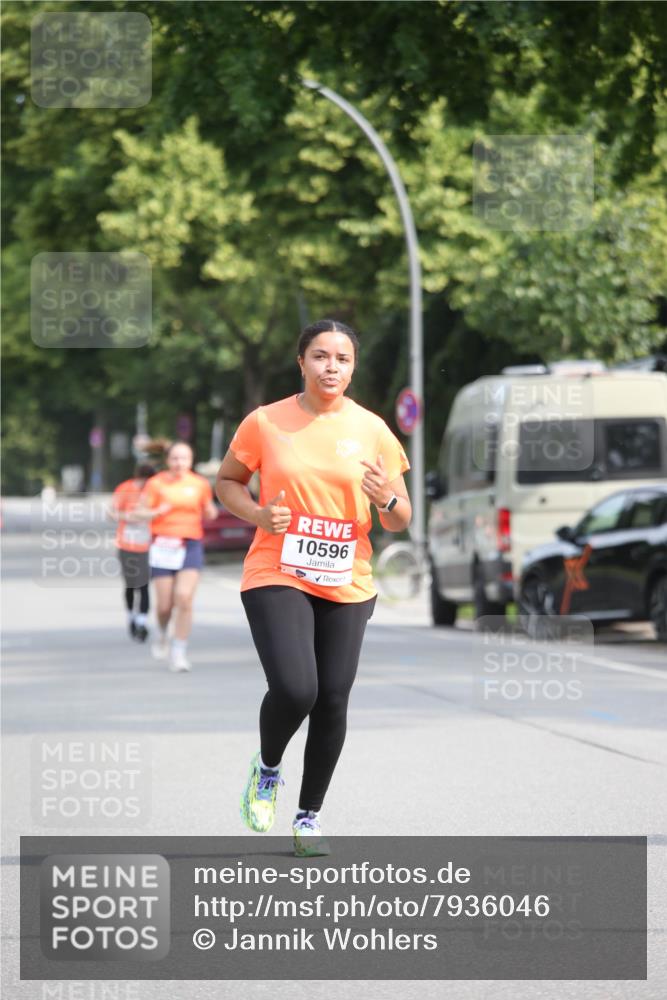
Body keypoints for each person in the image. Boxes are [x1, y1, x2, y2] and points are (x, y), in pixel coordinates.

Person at [216, 319, 412, 856]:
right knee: (297, 688)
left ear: (353, 367)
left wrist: (386, 498)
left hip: (347, 577)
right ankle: (267, 769)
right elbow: (227, 481)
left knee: (332, 698)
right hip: (277, 567)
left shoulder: (373, 429)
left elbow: (399, 518)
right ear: (301, 362)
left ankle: (308, 818)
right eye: (321, 356)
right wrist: (258, 514)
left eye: (342, 359)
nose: (332, 367)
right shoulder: (265, 421)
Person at [136, 442, 217, 672]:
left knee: (184, 597)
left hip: (190, 544)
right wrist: (155, 512)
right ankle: (163, 633)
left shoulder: (199, 483)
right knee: (164, 606)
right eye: (175, 458)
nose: (179, 463)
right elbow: (139, 511)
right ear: (167, 460)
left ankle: (179, 651)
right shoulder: (156, 483)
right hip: (163, 544)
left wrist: (210, 512)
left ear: (191, 461)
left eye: (184, 458)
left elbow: (209, 510)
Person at [109, 463, 157, 643]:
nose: (145, 485)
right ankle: (131, 616)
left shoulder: (154, 490)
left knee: (144, 585)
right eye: (143, 481)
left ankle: (142, 622)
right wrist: (129, 517)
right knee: (130, 584)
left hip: (148, 544)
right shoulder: (125, 488)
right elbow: (111, 512)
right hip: (127, 544)